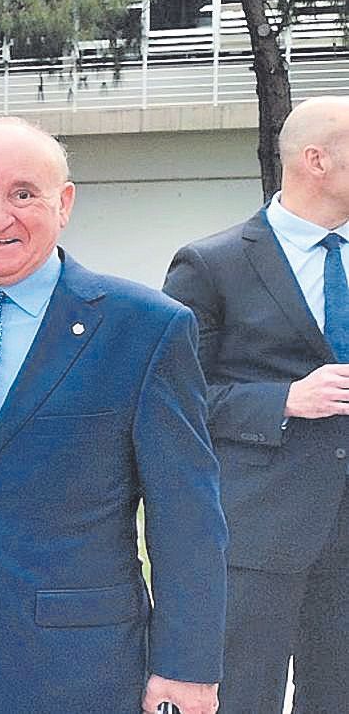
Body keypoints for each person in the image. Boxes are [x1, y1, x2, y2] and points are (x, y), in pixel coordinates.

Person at [0, 117, 226, 714]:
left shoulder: (145, 327)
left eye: (23, 194)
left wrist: (185, 668)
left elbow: (187, 513)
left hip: (73, 666)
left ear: (63, 203)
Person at [163, 95, 349, 713]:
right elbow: (179, 401)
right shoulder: (210, 265)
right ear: (317, 160)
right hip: (258, 533)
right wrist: (284, 400)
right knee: (243, 699)